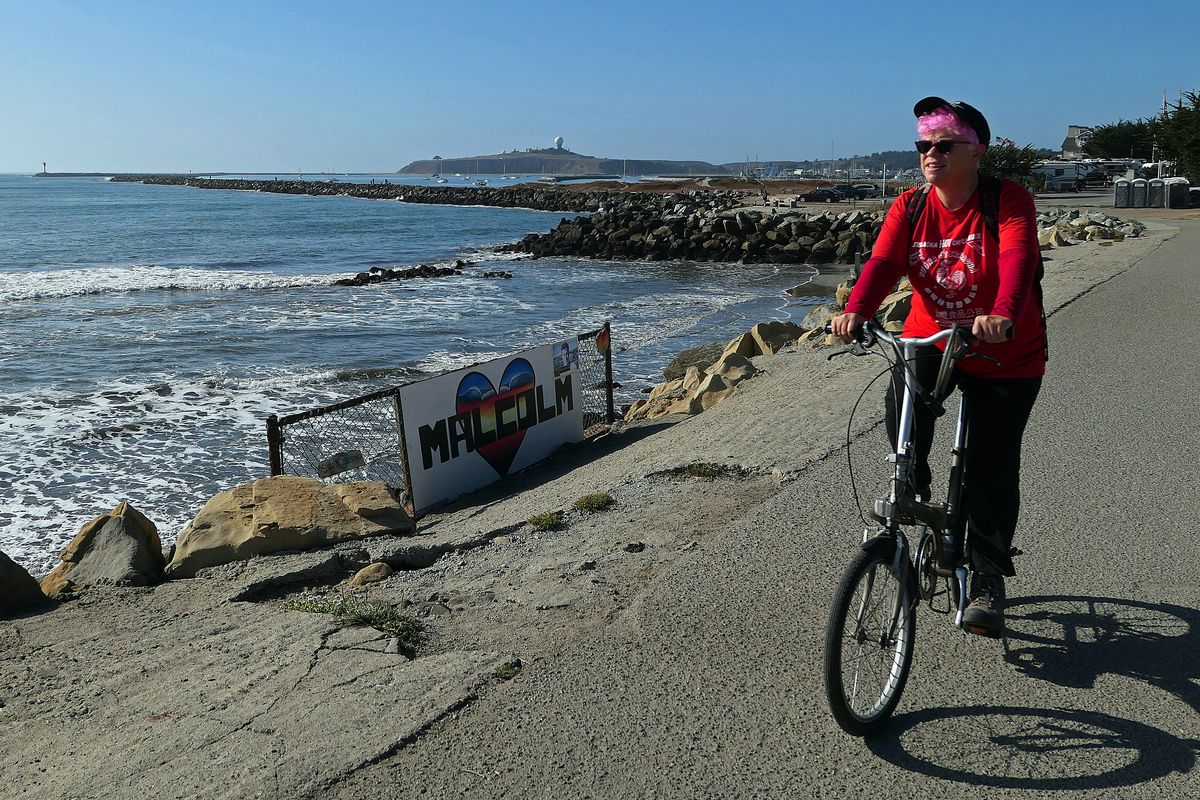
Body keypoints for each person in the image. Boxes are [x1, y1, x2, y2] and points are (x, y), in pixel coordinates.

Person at [830, 97, 1045, 636]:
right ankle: (918, 500)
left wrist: (1002, 314)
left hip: (1004, 350)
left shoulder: (1008, 199)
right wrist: (857, 309)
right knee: (904, 405)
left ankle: (989, 576)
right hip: (933, 338)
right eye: (924, 145)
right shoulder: (910, 205)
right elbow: (884, 261)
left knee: (991, 464)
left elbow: (1019, 258)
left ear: (976, 151)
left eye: (944, 144)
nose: (931, 154)